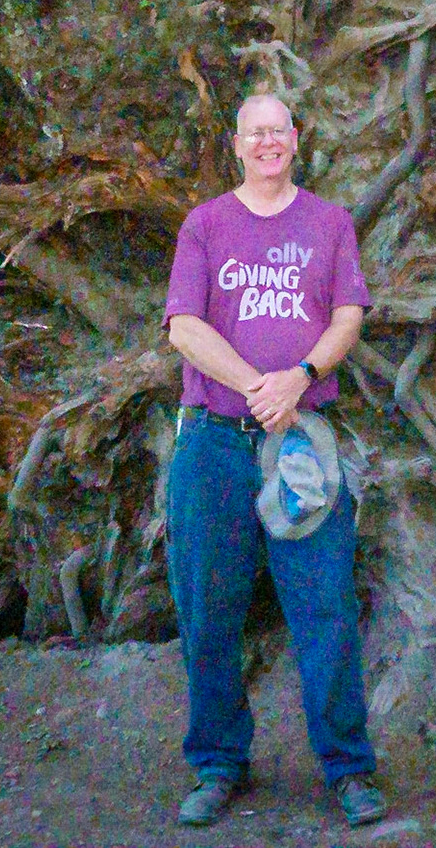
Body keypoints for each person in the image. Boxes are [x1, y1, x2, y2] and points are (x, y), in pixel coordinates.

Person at [162, 93, 387, 828]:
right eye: (255, 132)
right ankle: (219, 762)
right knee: (209, 607)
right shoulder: (205, 224)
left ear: (296, 139)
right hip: (215, 443)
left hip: (299, 446)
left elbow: (348, 315)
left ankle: (348, 768)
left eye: (279, 131)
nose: (268, 143)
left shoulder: (328, 222)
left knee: (323, 604)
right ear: (237, 144)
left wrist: (301, 379)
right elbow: (184, 328)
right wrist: (259, 386)